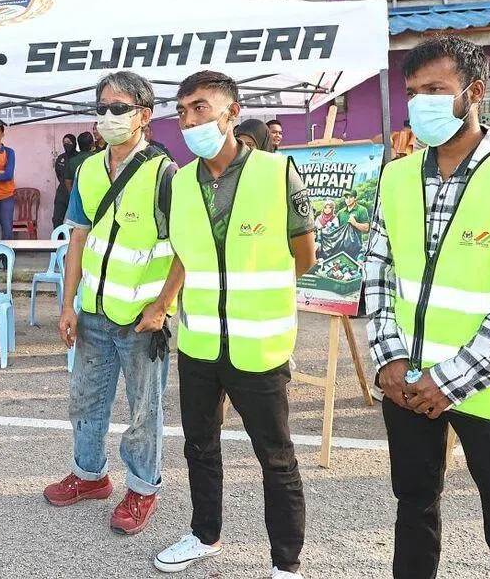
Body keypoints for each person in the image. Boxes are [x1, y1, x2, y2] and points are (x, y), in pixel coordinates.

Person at [364, 35, 490, 579]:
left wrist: (449, 381)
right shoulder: (397, 176)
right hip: (405, 380)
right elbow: (378, 273)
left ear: (473, 92)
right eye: (413, 92)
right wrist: (385, 357)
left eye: (436, 89)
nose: (421, 102)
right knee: (414, 508)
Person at [155, 70, 315, 578]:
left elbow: (303, 255)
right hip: (199, 342)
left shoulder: (277, 171)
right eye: (182, 111)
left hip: (258, 345)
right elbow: (182, 253)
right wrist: (163, 302)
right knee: (199, 445)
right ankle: (205, 535)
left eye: (201, 107)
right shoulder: (179, 182)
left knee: (276, 459)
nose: (190, 119)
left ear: (231, 111)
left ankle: (286, 565)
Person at [46, 71, 178, 536]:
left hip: (142, 319)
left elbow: (185, 249)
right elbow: (78, 240)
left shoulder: (164, 173)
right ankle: (89, 475)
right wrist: (67, 305)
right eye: (102, 108)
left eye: (119, 108)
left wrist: (162, 306)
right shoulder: (85, 169)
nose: (108, 116)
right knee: (85, 399)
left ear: (144, 116)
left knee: (144, 408)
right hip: (94, 313)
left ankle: (142, 489)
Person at [52, 133, 77, 229]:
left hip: (75, 192)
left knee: (76, 221)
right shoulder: (60, 158)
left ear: (74, 143)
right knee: (57, 219)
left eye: (69, 142)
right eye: (64, 142)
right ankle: (58, 242)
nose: (66, 144)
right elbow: (58, 174)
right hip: (62, 192)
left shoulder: (77, 157)